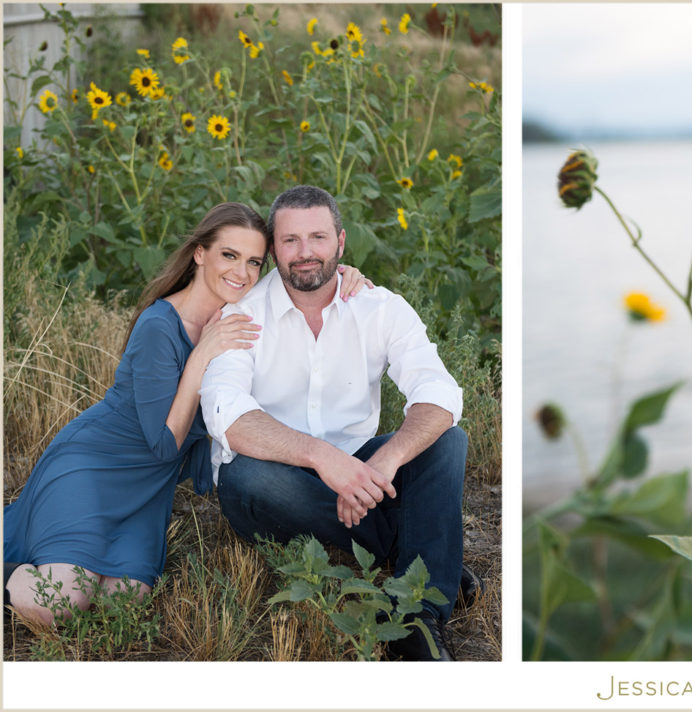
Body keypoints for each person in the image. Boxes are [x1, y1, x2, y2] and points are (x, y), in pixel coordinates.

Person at [2, 202, 369, 624]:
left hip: (147, 490)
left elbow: (302, 282)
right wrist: (201, 356)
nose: (243, 272)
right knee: (61, 604)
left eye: (254, 261)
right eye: (229, 255)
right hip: (94, 466)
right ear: (199, 253)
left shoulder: (241, 315)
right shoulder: (160, 326)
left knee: (125, 601)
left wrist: (345, 277)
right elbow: (164, 445)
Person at [199, 185, 476, 661]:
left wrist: (386, 461)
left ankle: (417, 617)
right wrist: (322, 459)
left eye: (318, 238)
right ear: (273, 249)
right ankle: (414, 547)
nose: (305, 253)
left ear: (341, 243)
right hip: (274, 474)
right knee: (247, 475)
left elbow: (440, 394)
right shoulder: (242, 315)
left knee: (447, 441)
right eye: (290, 241)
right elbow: (227, 414)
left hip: (362, 466)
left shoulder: (379, 307)